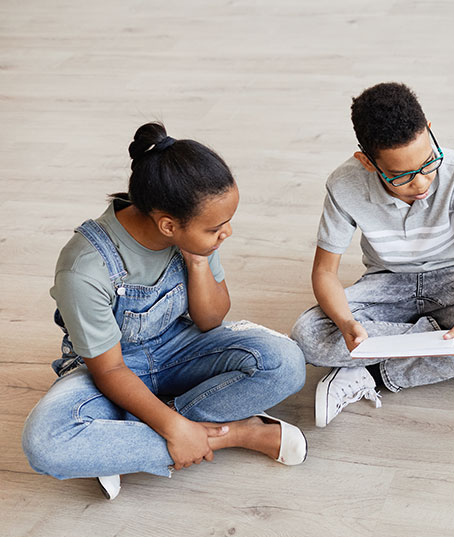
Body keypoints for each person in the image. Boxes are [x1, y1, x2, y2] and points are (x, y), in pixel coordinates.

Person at [21, 122, 308, 500]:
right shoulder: (85, 267)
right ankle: (236, 434)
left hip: (180, 347)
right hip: (108, 369)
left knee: (285, 362)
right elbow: (109, 369)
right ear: (168, 224)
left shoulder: (193, 231)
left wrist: (199, 261)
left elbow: (210, 320)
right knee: (48, 443)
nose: (227, 233)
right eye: (216, 228)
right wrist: (174, 429)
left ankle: (123, 444)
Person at [291, 82, 454, 427]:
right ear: (367, 162)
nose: (421, 183)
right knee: (308, 336)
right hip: (386, 283)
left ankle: (372, 374)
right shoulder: (344, 185)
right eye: (402, 176)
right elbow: (324, 273)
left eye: (428, 163)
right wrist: (347, 323)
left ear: (431, 134)